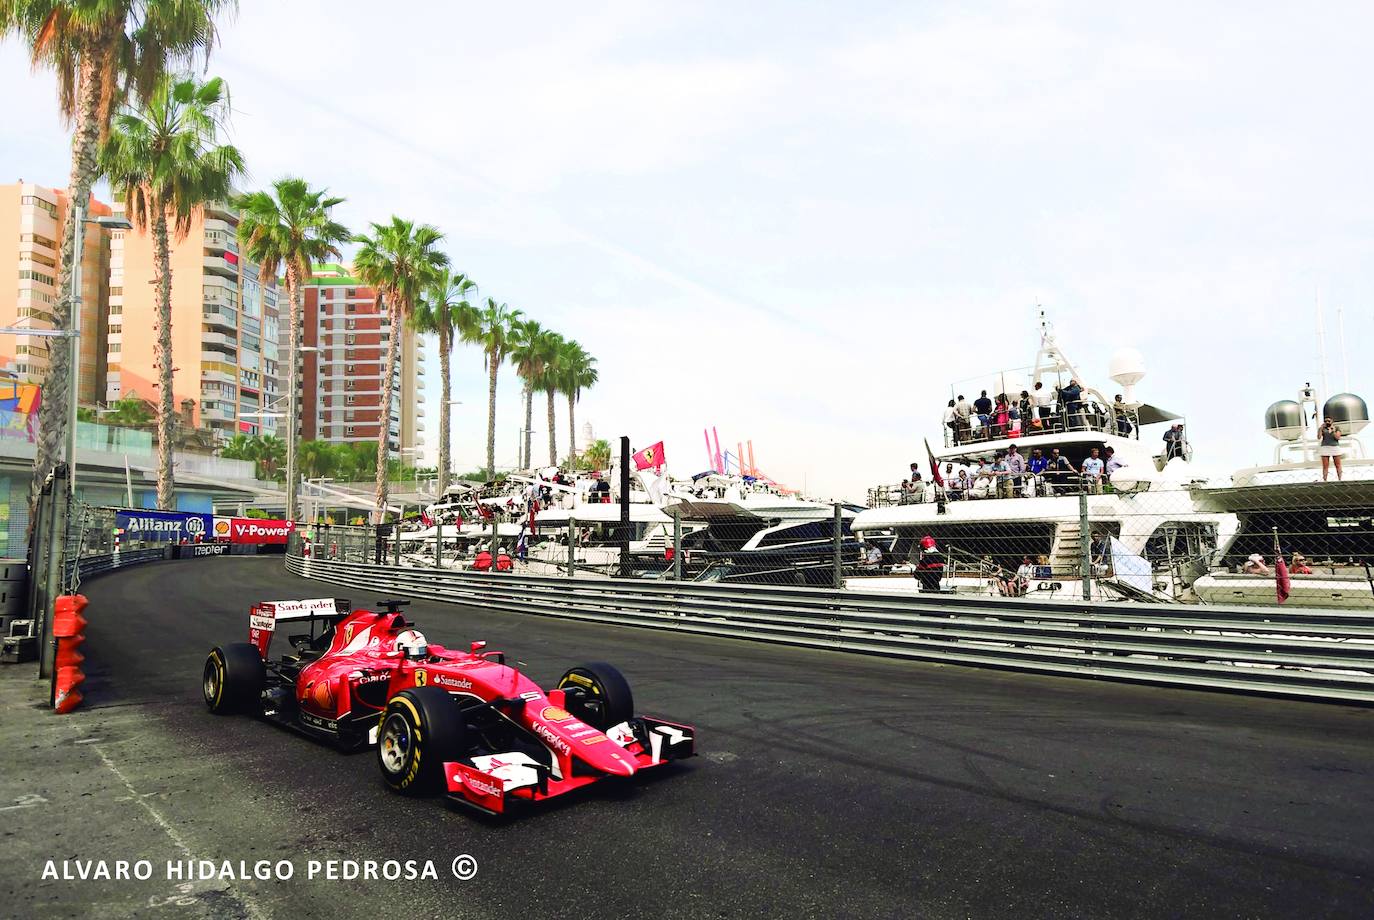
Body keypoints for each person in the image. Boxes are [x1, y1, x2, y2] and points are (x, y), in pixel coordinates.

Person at [1319, 417, 1344, 481]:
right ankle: (1325, 479)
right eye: (1325, 421)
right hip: (1325, 447)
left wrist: (1333, 431)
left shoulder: (1336, 428)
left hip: (1334, 447)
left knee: (1338, 464)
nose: (1327, 422)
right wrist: (1321, 429)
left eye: (1328, 421)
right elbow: (1319, 437)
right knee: (1325, 465)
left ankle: (1340, 479)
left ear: (1332, 421)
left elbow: (1337, 437)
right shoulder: (1322, 428)